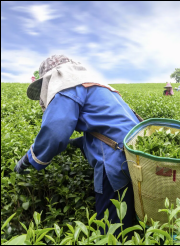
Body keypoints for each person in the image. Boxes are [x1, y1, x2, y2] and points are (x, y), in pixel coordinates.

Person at [13, 55, 140, 235]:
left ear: (52, 77)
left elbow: (54, 132)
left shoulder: (67, 86)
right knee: (126, 215)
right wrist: (77, 143)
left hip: (113, 159)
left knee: (111, 226)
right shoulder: (95, 86)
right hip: (133, 153)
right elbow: (107, 126)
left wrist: (29, 158)